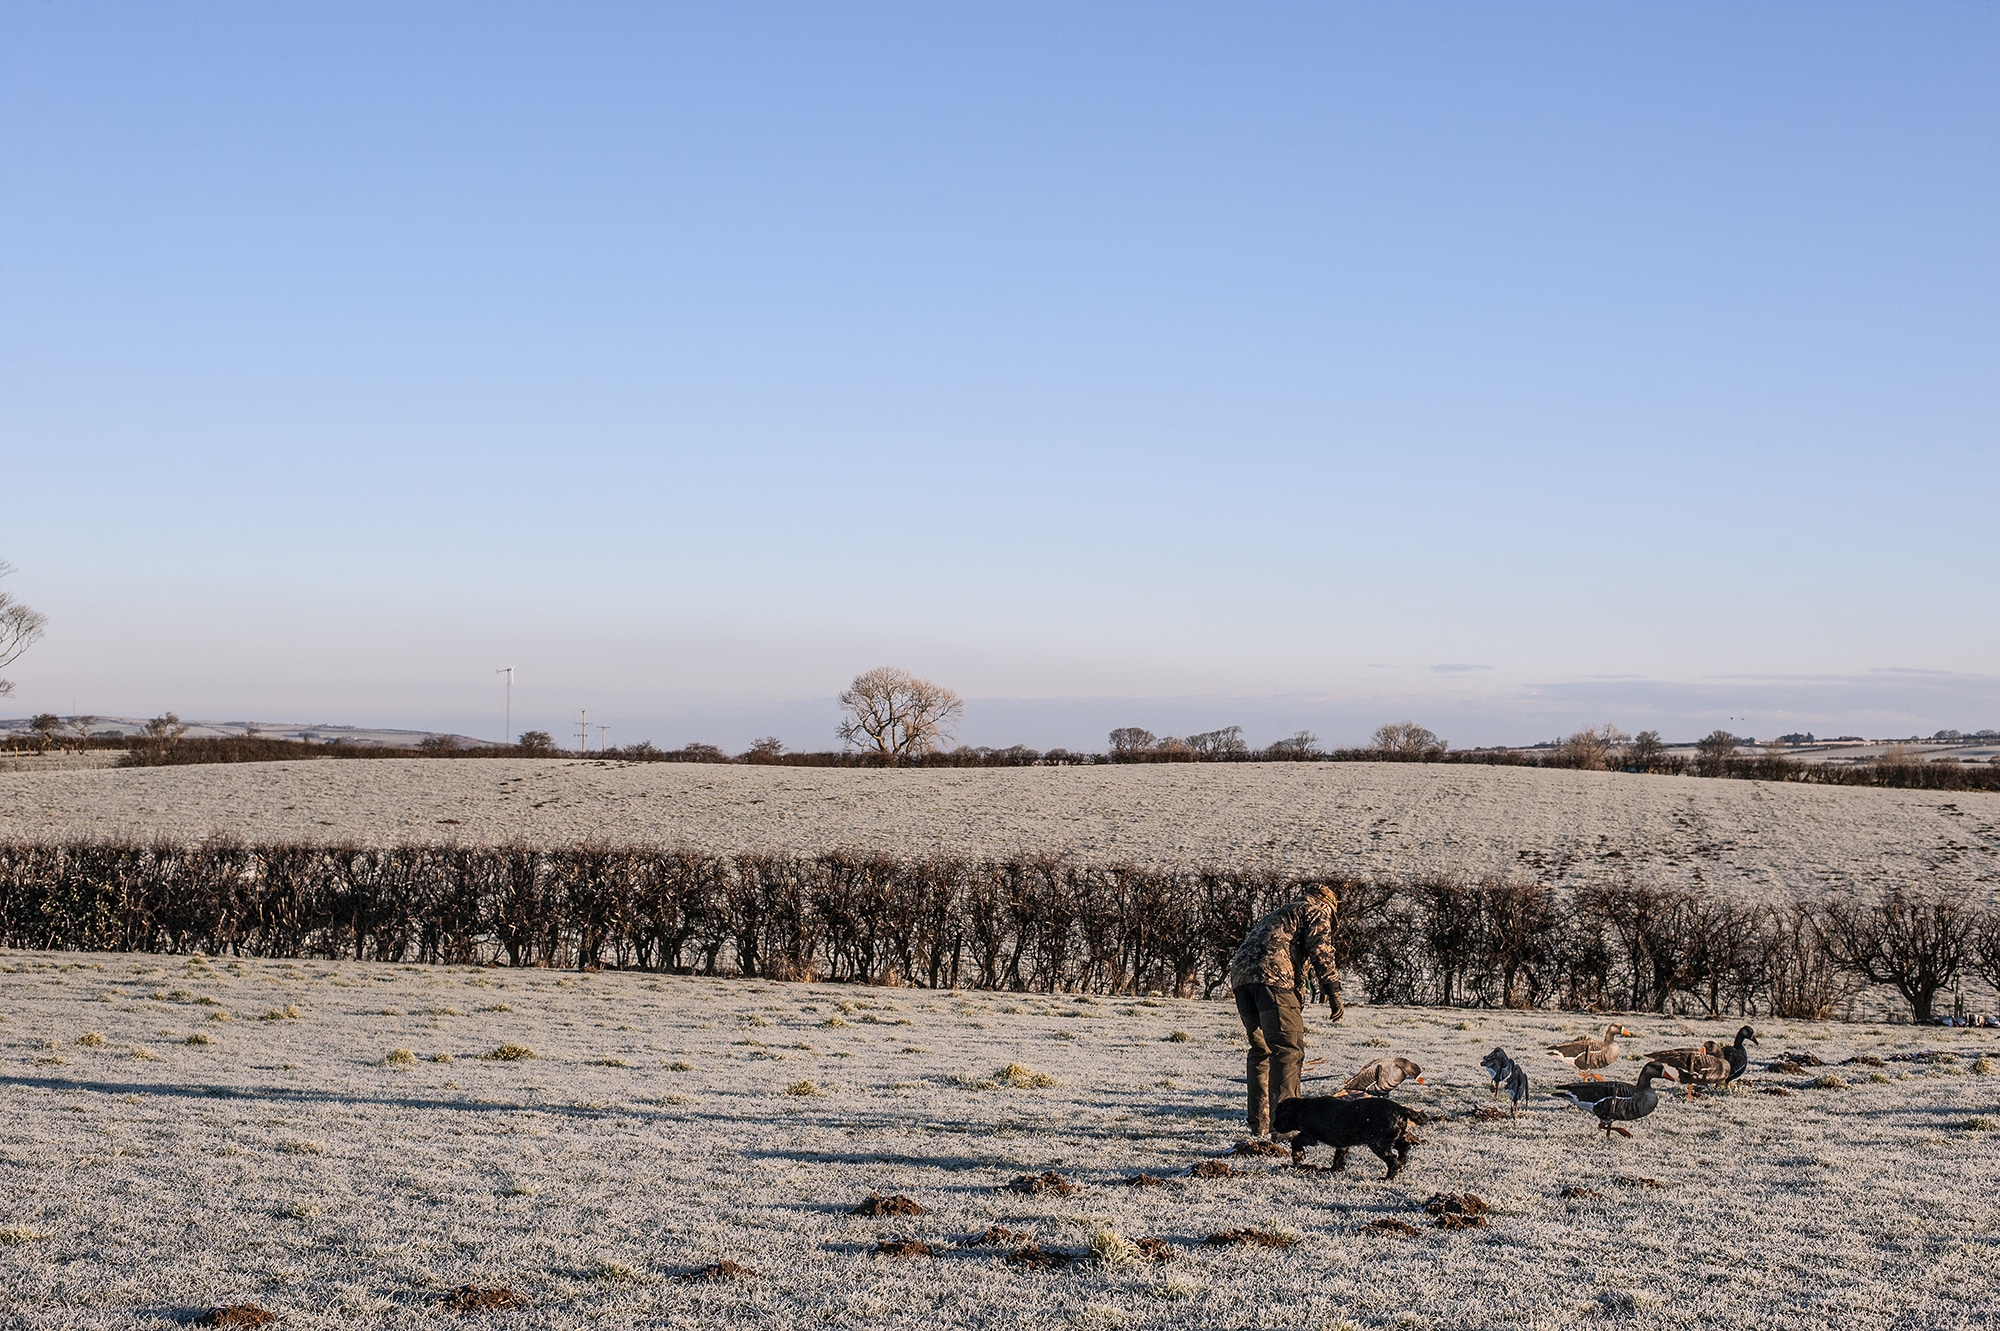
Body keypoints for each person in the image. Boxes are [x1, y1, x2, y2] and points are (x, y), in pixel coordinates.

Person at [1228, 881, 1344, 1138]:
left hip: (1242, 980)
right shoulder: (1316, 912)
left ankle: (1259, 1124)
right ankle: (1287, 1128)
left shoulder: (1281, 913)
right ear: (1327, 905)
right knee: (1288, 1051)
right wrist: (1333, 990)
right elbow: (1321, 950)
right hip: (1275, 980)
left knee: (1262, 1051)